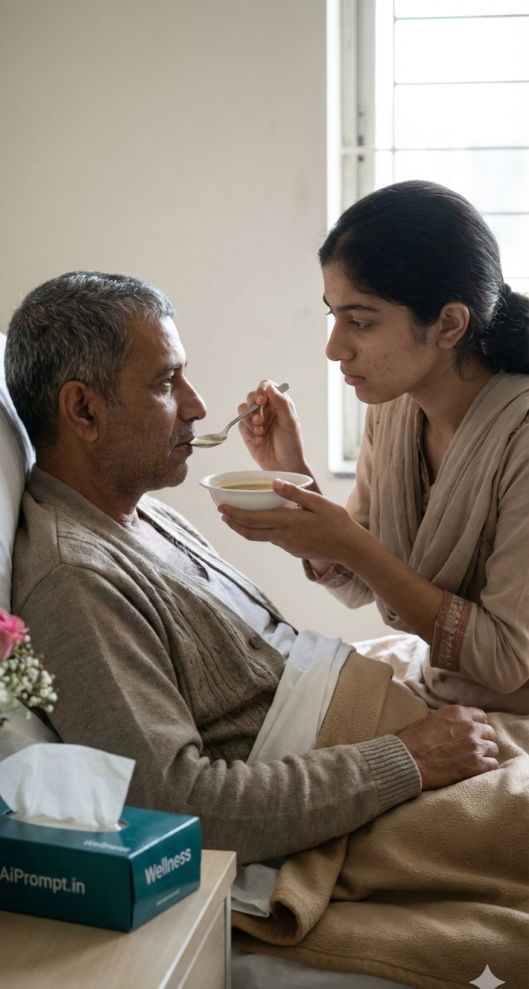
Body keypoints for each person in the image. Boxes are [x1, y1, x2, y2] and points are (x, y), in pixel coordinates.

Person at [4, 270, 498, 864]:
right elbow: (178, 804)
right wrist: (409, 758)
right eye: (167, 382)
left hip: (380, 723)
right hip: (366, 778)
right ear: (82, 409)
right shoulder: (76, 581)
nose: (198, 405)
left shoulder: (141, 513)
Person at [223, 181, 529, 715]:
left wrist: (350, 542)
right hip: (442, 690)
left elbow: (505, 658)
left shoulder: (521, 435)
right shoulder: (392, 408)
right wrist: (294, 479)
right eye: (333, 316)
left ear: (449, 323)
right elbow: (359, 585)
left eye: (359, 322)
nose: (334, 347)